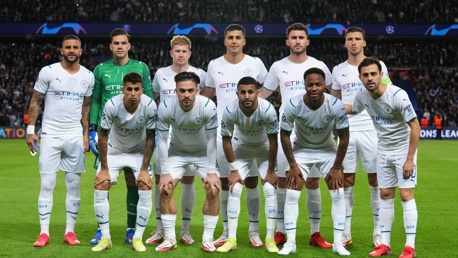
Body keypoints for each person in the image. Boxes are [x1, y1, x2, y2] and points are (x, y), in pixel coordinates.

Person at [258, 22, 333, 248]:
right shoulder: (278, 66)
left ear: (307, 41)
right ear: (287, 41)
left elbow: (333, 93)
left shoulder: (319, 65)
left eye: (301, 37)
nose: (298, 41)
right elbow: (263, 94)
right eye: (294, 37)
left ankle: (315, 233)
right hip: (287, 131)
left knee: (312, 182)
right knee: (284, 180)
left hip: (316, 132)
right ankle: (281, 231)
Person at [202, 24, 268, 247]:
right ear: (224, 41)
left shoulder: (255, 64)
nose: (233, 41)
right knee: (225, 183)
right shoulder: (214, 65)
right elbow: (208, 94)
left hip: (251, 133)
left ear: (244, 41)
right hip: (224, 133)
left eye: (238, 37)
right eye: (230, 37)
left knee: (251, 181)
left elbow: (265, 91)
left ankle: (253, 231)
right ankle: (226, 230)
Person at [26, 34, 94, 247]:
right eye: (68, 47)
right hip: (50, 134)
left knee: (73, 185)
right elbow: (36, 101)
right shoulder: (49, 72)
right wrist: (30, 130)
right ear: (61, 50)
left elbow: (86, 108)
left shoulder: (88, 76)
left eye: (75, 47)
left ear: (81, 51)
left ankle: (69, 232)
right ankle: (44, 233)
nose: (71, 50)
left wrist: (85, 134)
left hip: (74, 135)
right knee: (47, 184)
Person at [350, 57, 419, 258]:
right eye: (365, 75)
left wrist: (409, 159)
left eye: (373, 74)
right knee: (385, 194)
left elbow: (415, 126)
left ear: (381, 75)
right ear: (360, 78)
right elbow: (353, 110)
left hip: (403, 150)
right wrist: (325, 103)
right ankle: (385, 245)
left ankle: (409, 247)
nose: (370, 78)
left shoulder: (398, 95)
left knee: (406, 195)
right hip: (383, 150)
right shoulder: (362, 96)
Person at [89, 28, 153, 245]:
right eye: (115, 43)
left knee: (133, 181)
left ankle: (131, 229)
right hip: (110, 132)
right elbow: (96, 100)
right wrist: (92, 128)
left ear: (128, 45)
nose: (119, 46)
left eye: (123, 43)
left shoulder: (141, 68)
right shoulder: (100, 69)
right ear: (110, 46)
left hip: (136, 132)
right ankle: (101, 231)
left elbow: (149, 98)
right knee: (103, 178)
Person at [278, 67, 350, 256]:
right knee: (292, 193)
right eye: (310, 84)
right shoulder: (293, 105)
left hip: (327, 151)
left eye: (318, 84)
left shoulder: (336, 105)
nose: (314, 88)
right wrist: (293, 165)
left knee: (338, 193)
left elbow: (344, 137)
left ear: (324, 85)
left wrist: (336, 167)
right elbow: (284, 135)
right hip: (301, 150)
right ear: (305, 85)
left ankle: (337, 243)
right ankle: (291, 243)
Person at [331, 26, 392, 247]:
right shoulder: (338, 70)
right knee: (346, 180)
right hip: (347, 131)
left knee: (375, 180)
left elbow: (386, 94)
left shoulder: (378, 66)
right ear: (345, 43)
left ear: (364, 42)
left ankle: (378, 232)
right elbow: (335, 103)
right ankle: (346, 232)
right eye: (350, 39)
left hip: (372, 130)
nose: (354, 42)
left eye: (358, 39)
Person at [146, 35, 207, 246]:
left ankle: (185, 230)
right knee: (161, 182)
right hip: (165, 133)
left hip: (190, 134)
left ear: (189, 53)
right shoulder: (161, 74)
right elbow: (154, 98)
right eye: (177, 51)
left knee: (189, 182)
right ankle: (160, 229)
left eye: (184, 51)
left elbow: (204, 98)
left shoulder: (199, 74)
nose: (180, 54)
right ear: (171, 53)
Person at [91, 72, 157, 252]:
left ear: (142, 90)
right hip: (114, 151)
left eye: (137, 89)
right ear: (123, 90)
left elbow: (151, 138)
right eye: (129, 89)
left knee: (144, 185)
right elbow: (102, 136)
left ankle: (138, 237)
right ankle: (105, 237)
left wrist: (144, 168)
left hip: (137, 151)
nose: (133, 93)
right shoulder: (112, 104)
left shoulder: (150, 105)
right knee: (101, 185)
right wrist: (104, 168)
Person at [155, 71, 220, 252]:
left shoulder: (207, 106)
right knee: (165, 188)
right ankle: (169, 238)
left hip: (203, 153)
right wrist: (166, 172)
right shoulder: (166, 106)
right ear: (175, 91)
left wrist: (212, 171)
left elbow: (212, 140)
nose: (186, 95)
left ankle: (208, 239)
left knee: (213, 189)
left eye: (190, 90)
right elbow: (161, 139)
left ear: (197, 91)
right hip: (177, 151)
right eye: (182, 91)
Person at [216, 77, 279, 253]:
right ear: (237, 94)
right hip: (241, 148)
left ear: (257, 93)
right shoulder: (230, 110)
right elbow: (226, 140)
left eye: (250, 92)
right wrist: (233, 170)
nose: (247, 96)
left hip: (264, 148)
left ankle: (269, 238)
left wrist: (271, 171)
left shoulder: (268, 110)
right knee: (234, 188)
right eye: (243, 92)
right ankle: (232, 239)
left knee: (269, 189)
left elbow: (274, 141)